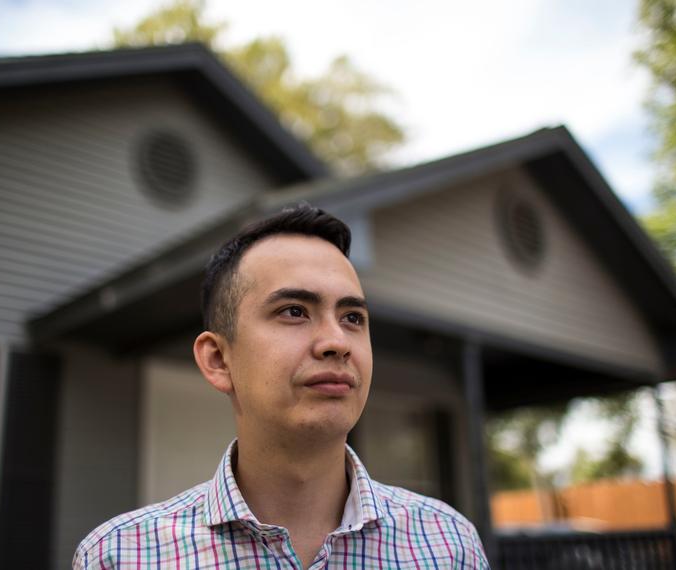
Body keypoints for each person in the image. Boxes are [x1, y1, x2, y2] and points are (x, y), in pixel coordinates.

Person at [73, 204, 490, 569]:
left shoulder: (449, 546)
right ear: (218, 360)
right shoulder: (121, 556)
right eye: (294, 311)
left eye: (352, 318)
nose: (336, 343)